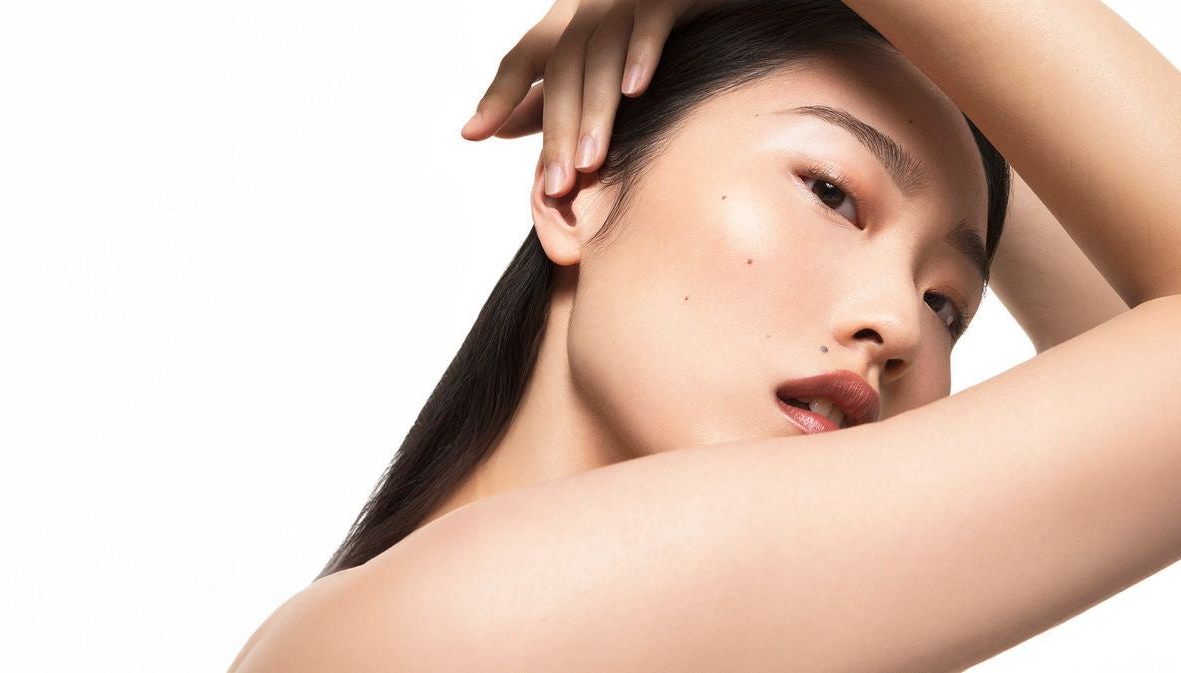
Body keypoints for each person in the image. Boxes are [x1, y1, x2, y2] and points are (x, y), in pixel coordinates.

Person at [227, 0, 1181, 671]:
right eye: (832, 193)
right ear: (574, 185)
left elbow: (1123, 373)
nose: (896, 323)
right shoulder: (465, 619)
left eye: (946, 306)